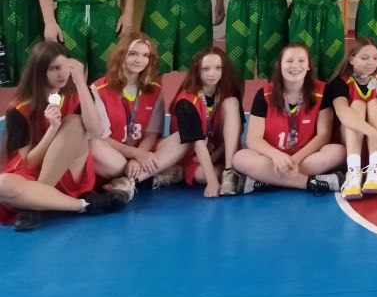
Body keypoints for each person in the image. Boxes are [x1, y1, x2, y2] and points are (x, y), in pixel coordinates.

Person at [0, 42, 127, 230]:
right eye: (54, 68)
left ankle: (36, 204)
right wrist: (52, 130)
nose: (62, 74)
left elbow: (94, 131)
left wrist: (81, 83)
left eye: (65, 67)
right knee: (2, 184)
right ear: (39, 71)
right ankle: (84, 205)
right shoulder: (19, 108)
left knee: (74, 122)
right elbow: (30, 163)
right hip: (34, 172)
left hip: (69, 168)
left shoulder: (77, 94)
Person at [231, 44, 344, 194]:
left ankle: (265, 180)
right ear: (280, 65)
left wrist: (294, 160)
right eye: (289, 61)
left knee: (338, 152)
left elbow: (323, 135)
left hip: (306, 157)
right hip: (272, 158)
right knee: (239, 158)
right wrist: (276, 156)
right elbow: (253, 139)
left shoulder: (323, 91)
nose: (295, 66)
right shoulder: (264, 94)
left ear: (308, 66)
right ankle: (310, 183)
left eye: (301, 61)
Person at [88, 33, 186, 201]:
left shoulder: (156, 89)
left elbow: (151, 134)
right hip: (114, 156)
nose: (139, 60)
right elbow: (103, 138)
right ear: (121, 55)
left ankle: (129, 181)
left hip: (144, 153)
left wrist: (138, 158)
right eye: (133, 54)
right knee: (93, 143)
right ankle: (150, 175)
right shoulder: (98, 89)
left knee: (184, 137)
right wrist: (137, 155)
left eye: (145, 55)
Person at [326, 37, 377, 200]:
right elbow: (342, 113)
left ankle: (374, 171)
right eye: (364, 58)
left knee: (373, 104)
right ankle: (353, 173)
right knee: (357, 105)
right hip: (350, 146)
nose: (371, 62)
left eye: (375, 58)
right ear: (351, 59)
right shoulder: (340, 83)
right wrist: (372, 133)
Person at [171, 46, 243, 198]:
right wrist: (212, 181)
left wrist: (216, 155)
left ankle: (230, 172)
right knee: (203, 176)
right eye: (205, 69)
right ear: (197, 70)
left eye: (218, 68)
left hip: (223, 151)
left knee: (231, 102)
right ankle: (239, 174)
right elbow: (197, 143)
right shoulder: (186, 100)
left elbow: (237, 131)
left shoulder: (230, 92)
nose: (212, 73)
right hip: (194, 154)